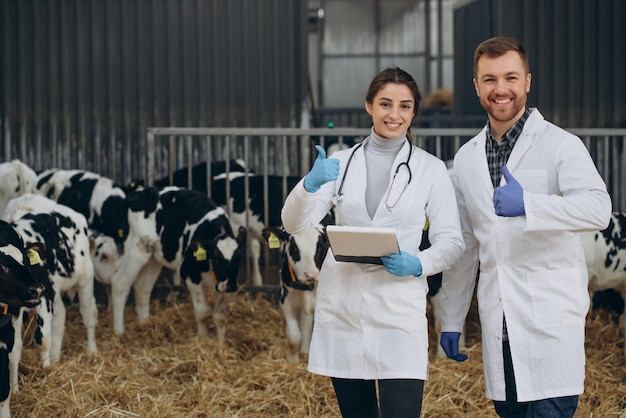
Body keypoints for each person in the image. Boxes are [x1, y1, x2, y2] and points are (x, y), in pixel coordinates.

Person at [439, 36, 612, 417]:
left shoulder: (560, 145)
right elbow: (467, 247)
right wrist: (451, 318)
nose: (500, 89)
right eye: (489, 79)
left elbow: (599, 209)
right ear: (476, 86)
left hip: (550, 320)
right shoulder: (466, 159)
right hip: (498, 324)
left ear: (528, 81)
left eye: (510, 78)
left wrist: (530, 205)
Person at [281, 67, 464, 418]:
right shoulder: (340, 163)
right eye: (385, 104)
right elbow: (293, 223)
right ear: (369, 105)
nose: (394, 115)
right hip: (343, 311)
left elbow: (452, 241)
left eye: (405, 106)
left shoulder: (430, 169)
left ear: (413, 112)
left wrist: (420, 263)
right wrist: (309, 184)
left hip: (398, 311)